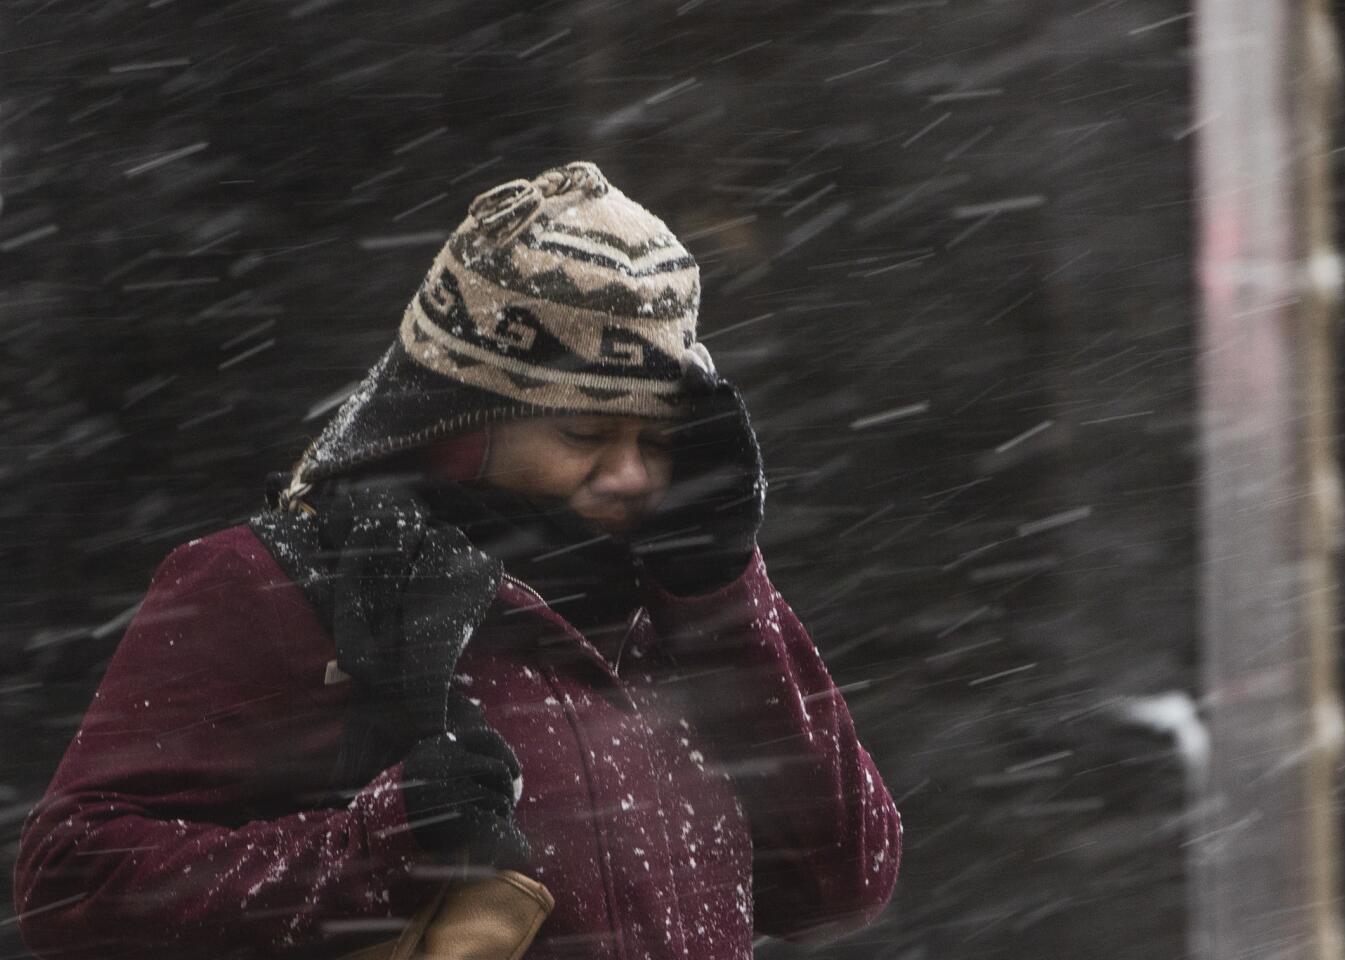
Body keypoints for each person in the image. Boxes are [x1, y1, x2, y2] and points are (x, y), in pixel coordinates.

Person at [13, 161, 902, 960]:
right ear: (456, 423)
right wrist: (378, 849)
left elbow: (838, 887)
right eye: (584, 432)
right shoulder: (278, 580)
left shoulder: (679, 603)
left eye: (661, 442)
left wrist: (720, 591)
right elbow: (70, 883)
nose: (632, 476)